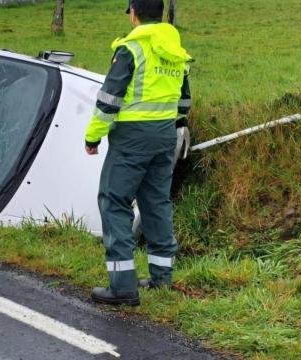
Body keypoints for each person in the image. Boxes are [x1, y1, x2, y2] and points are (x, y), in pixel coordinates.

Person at [85, 0, 192, 306]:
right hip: (164, 134)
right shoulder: (175, 50)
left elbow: (109, 100)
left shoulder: (130, 50)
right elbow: (184, 104)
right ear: (160, 14)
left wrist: (93, 136)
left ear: (133, 14)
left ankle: (122, 287)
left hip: (132, 137)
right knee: (156, 202)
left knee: (114, 201)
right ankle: (161, 278)